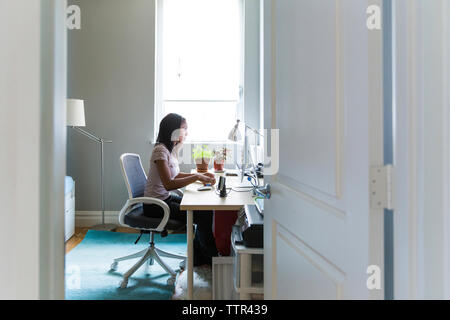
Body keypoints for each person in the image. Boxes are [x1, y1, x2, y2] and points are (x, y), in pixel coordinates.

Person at [143, 113, 218, 267]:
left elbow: (175, 175)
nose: (186, 132)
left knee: (203, 210)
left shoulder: (169, 150)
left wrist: (202, 175)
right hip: (155, 206)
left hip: (164, 199)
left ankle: (199, 257)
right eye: (184, 128)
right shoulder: (160, 151)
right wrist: (197, 176)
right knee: (203, 215)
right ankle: (208, 258)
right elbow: (169, 184)